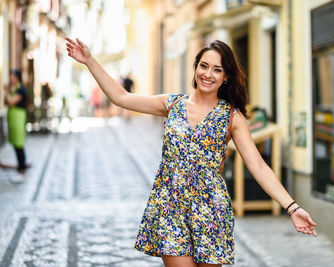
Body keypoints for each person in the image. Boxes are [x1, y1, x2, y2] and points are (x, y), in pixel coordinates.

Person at [66, 37, 317, 267]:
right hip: (170, 206)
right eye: (204, 66)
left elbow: (259, 166)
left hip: (211, 209)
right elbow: (121, 97)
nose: (208, 74)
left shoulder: (232, 117)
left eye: (217, 69)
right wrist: (89, 61)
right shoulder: (172, 104)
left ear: (226, 77)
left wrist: (292, 208)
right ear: (196, 68)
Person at [4, 69, 29, 183]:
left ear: (17, 77)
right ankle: (20, 169)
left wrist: (7, 91)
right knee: (16, 145)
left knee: (19, 146)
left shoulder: (20, 90)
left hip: (18, 120)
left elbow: (11, 102)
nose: (10, 79)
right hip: (14, 120)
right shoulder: (16, 89)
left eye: (12, 77)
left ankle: (21, 171)